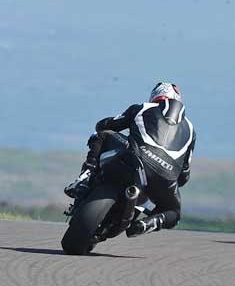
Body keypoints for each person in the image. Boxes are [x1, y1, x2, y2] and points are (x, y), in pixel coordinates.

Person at [64, 82, 196, 237]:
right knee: (173, 212)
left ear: (154, 96)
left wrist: (105, 124)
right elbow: (184, 174)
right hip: (166, 176)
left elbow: (106, 125)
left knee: (102, 135)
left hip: (136, 159)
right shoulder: (191, 130)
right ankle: (149, 222)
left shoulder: (142, 108)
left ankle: (84, 178)